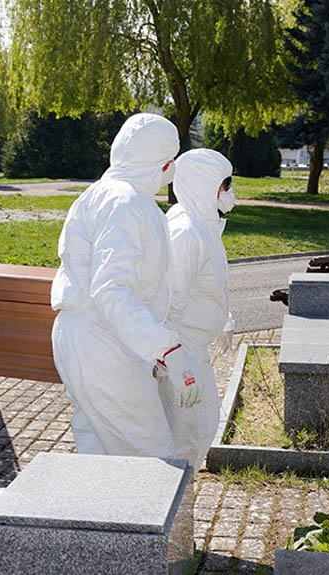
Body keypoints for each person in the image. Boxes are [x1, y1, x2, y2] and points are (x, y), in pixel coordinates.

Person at [51, 113, 204, 461]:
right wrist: (166, 348)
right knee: (151, 456)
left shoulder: (100, 194)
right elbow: (112, 290)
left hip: (89, 337)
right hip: (104, 343)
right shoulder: (128, 202)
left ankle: (97, 516)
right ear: (162, 163)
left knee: (99, 453)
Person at [162, 148, 237, 468]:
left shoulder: (203, 225)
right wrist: (168, 355)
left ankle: (178, 496)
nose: (230, 192)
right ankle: (172, 502)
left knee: (199, 427)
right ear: (206, 184)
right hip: (181, 348)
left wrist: (223, 319)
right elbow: (171, 299)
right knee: (189, 430)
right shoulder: (186, 231)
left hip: (193, 346)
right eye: (226, 184)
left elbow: (207, 284)